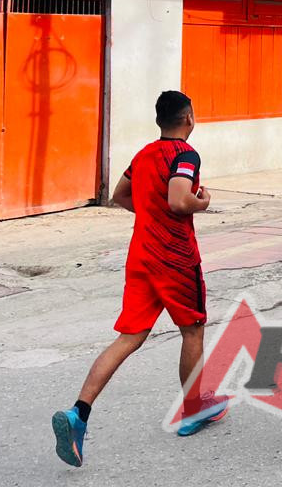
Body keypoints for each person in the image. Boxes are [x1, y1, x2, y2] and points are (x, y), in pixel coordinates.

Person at [52, 91, 226, 468]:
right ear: (190, 119)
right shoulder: (185, 155)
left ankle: (78, 412)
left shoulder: (144, 154)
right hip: (175, 257)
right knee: (192, 330)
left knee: (129, 336)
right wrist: (203, 202)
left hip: (141, 255)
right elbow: (180, 200)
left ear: (159, 120)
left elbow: (119, 194)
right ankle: (194, 407)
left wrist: (149, 211)